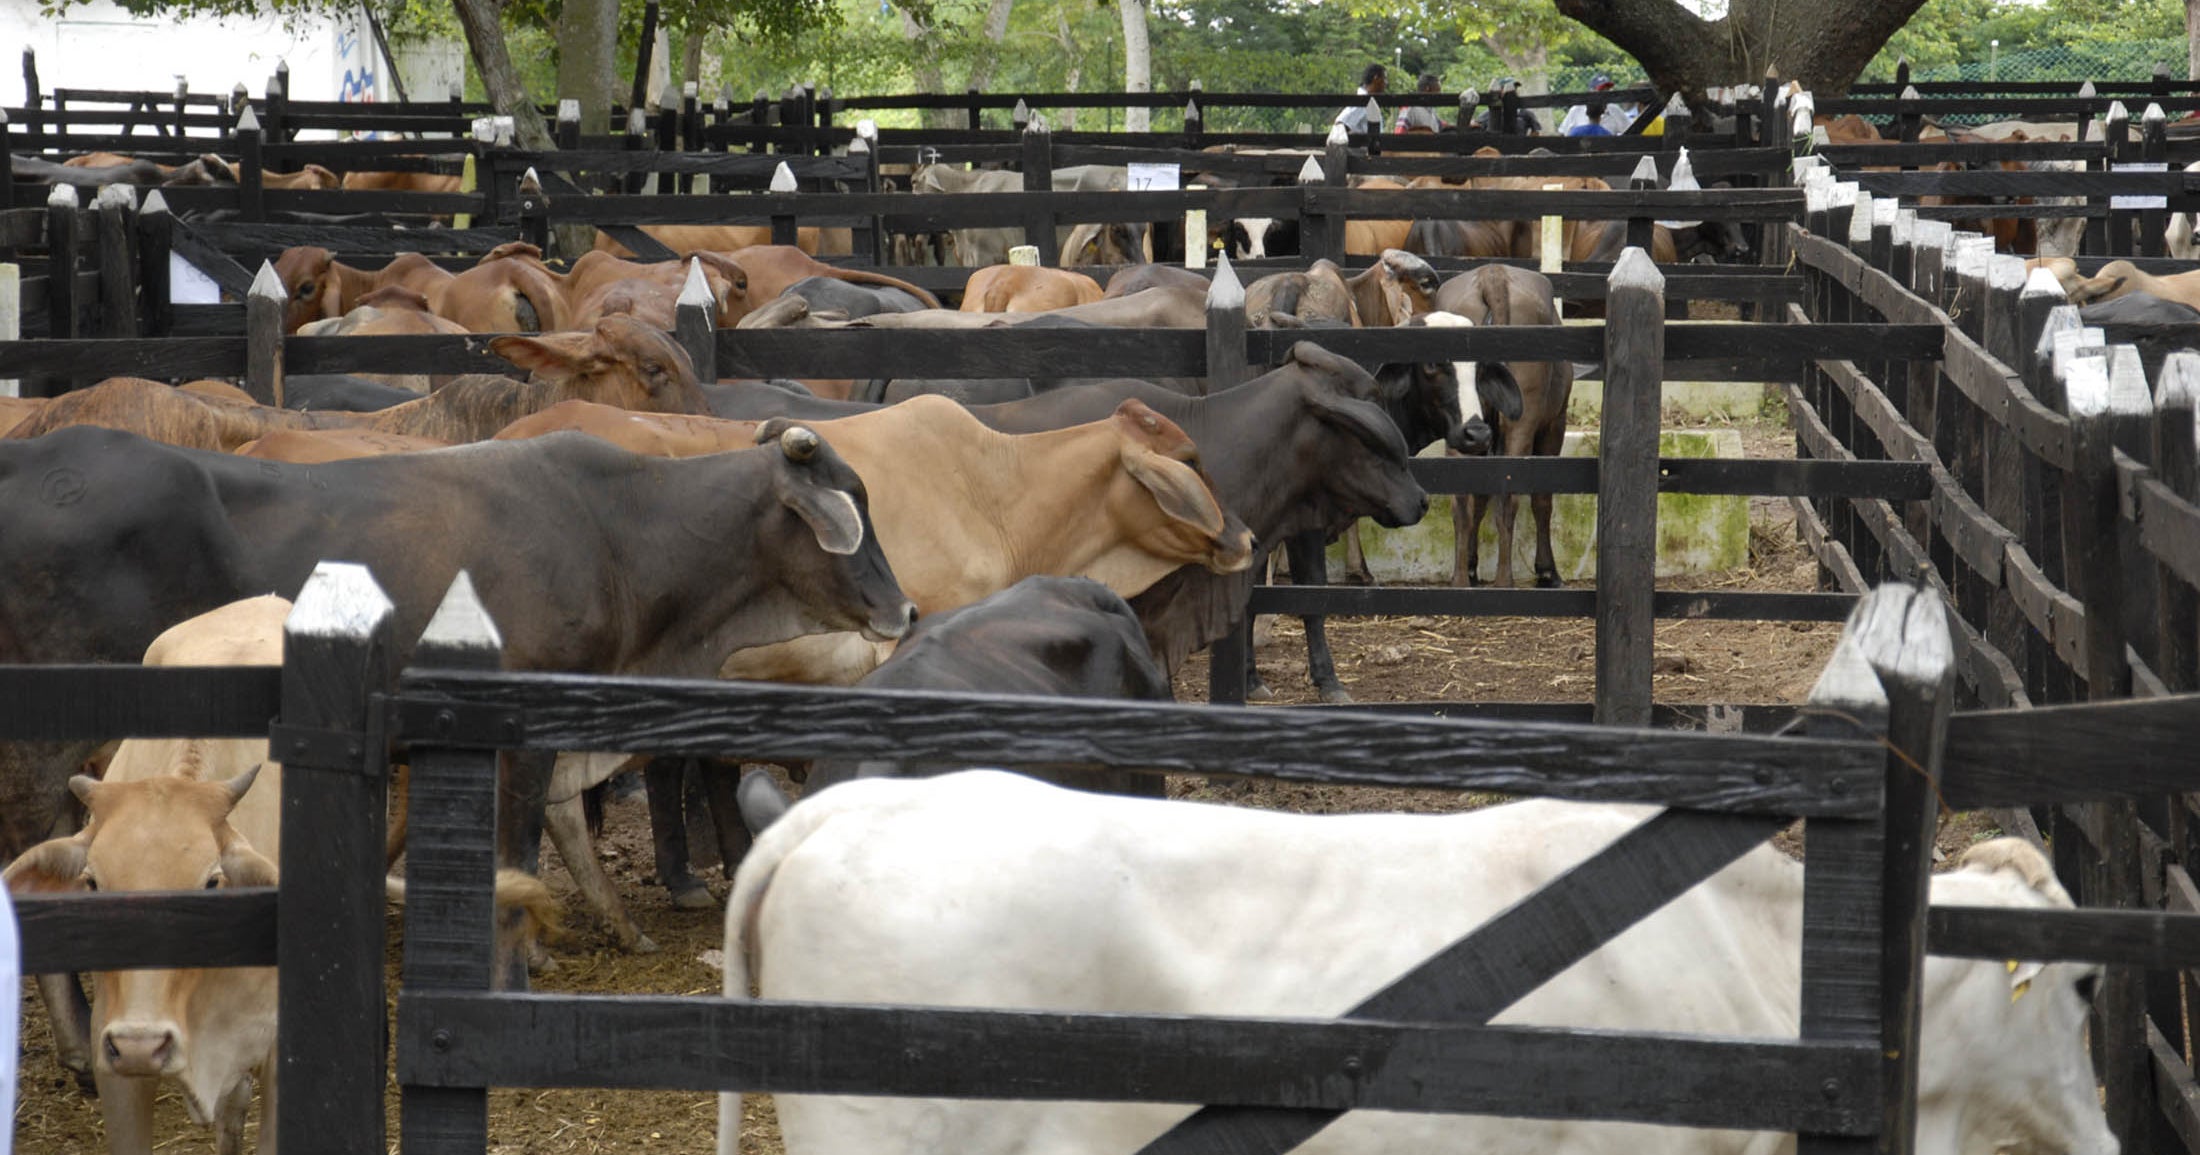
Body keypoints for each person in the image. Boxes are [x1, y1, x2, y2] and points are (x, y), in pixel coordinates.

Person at [1560, 73, 1635, 136]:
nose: (1606, 93)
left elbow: (1631, 132)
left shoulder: (1614, 110)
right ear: (1591, 92)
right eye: (1601, 90)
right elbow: (1563, 133)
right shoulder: (1576, 110)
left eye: (1608, 90)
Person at [1335, 62, 1387, 134]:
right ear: (1376, 78)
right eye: (1384, 78)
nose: (1386, 83)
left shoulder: (1368, 100)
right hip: (1365, 145)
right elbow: (1341, 123)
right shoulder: (1363, 102)